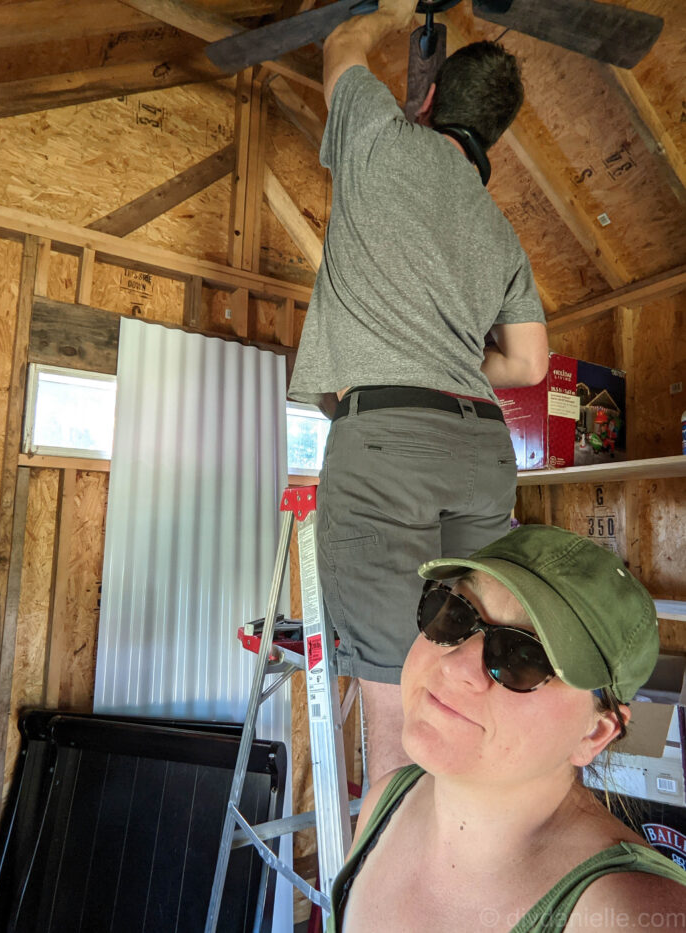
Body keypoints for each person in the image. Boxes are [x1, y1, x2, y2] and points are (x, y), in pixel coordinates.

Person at [288, 0, 549, 781]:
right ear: (493, 136)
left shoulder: (380, 137)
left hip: (390, 443)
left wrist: (391, 12)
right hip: (480, 451)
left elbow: (341, 41)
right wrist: (464, 366)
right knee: (467, 679)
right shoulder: (500, 230)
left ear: (426, 99)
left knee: (403, 718)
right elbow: (531, 364)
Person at [327, 524, 686, 932]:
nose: (455, 665)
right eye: (454, 615)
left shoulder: (628, 916)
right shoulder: (386, 804)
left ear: (595, 733)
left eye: (523, 657)